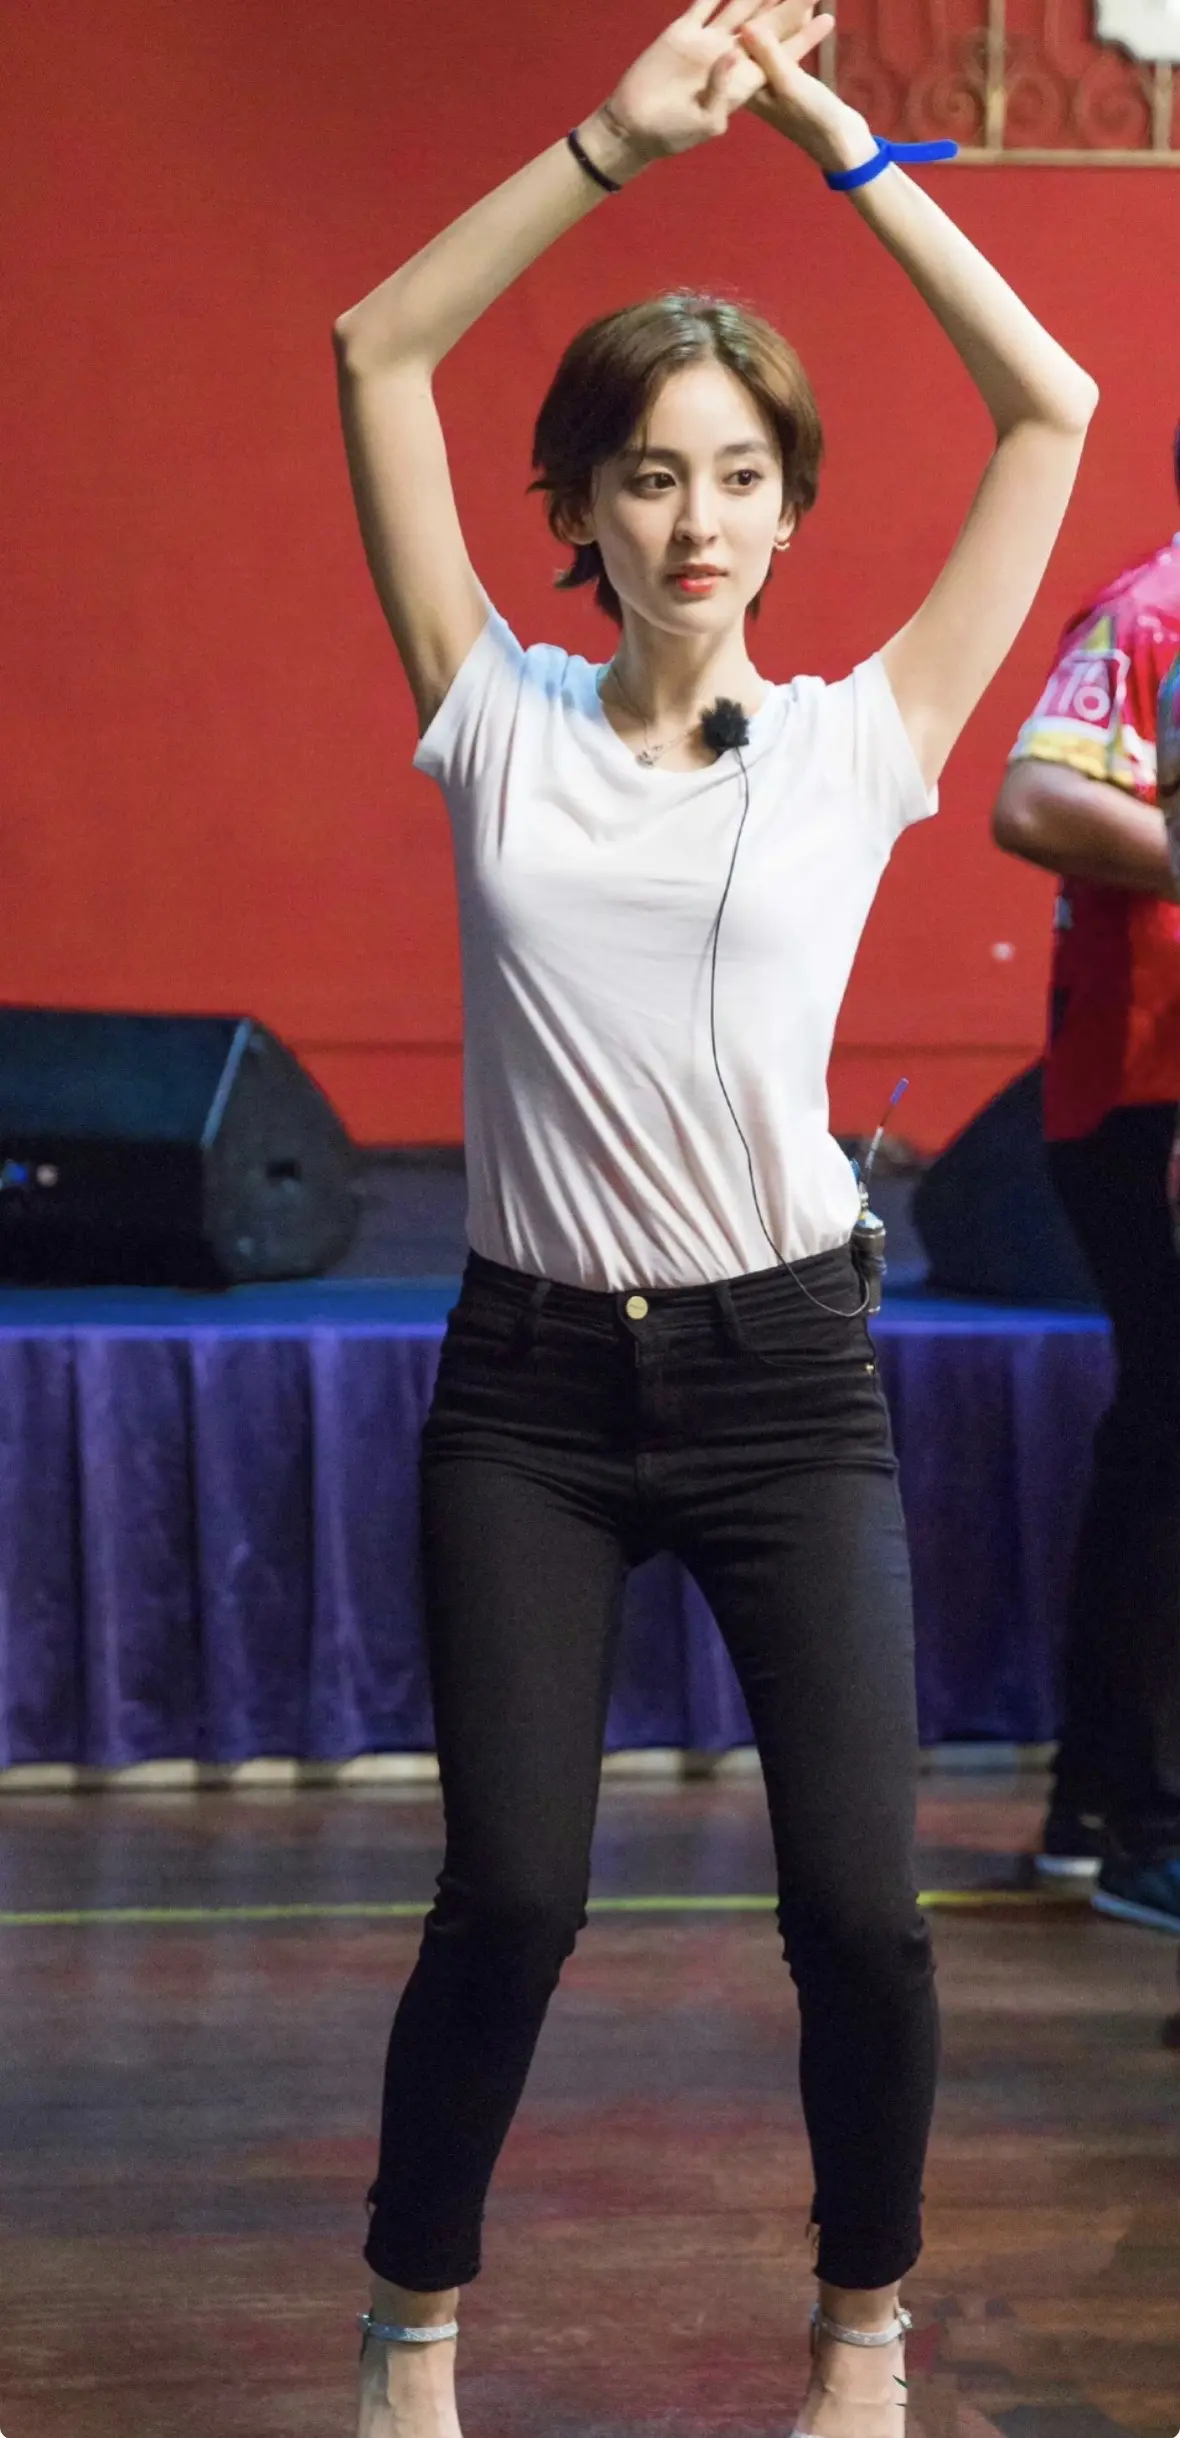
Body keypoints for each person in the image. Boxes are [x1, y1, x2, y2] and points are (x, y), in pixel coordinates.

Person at [333, 5, 1097, 2432]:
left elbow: (1053, 407)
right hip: (533, 1390)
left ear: (785, 508)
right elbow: (373, 348)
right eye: (649, 473)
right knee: (512, 1898)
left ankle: (860, 2332)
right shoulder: (492, 718)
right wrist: (608, 143)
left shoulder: (866, 739)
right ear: (578, 501)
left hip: (784, 1380)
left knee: (860, 1916)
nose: (694, 519)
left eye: (738, 476)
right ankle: (410, 2328)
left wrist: (840, 141)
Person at [991, 436, 1180, 1932]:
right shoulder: (1151, 613)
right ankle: (1138, 1824)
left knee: (1158, 1436)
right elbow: (1036, 801)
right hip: (1145, 1095)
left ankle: (1099, 1804)